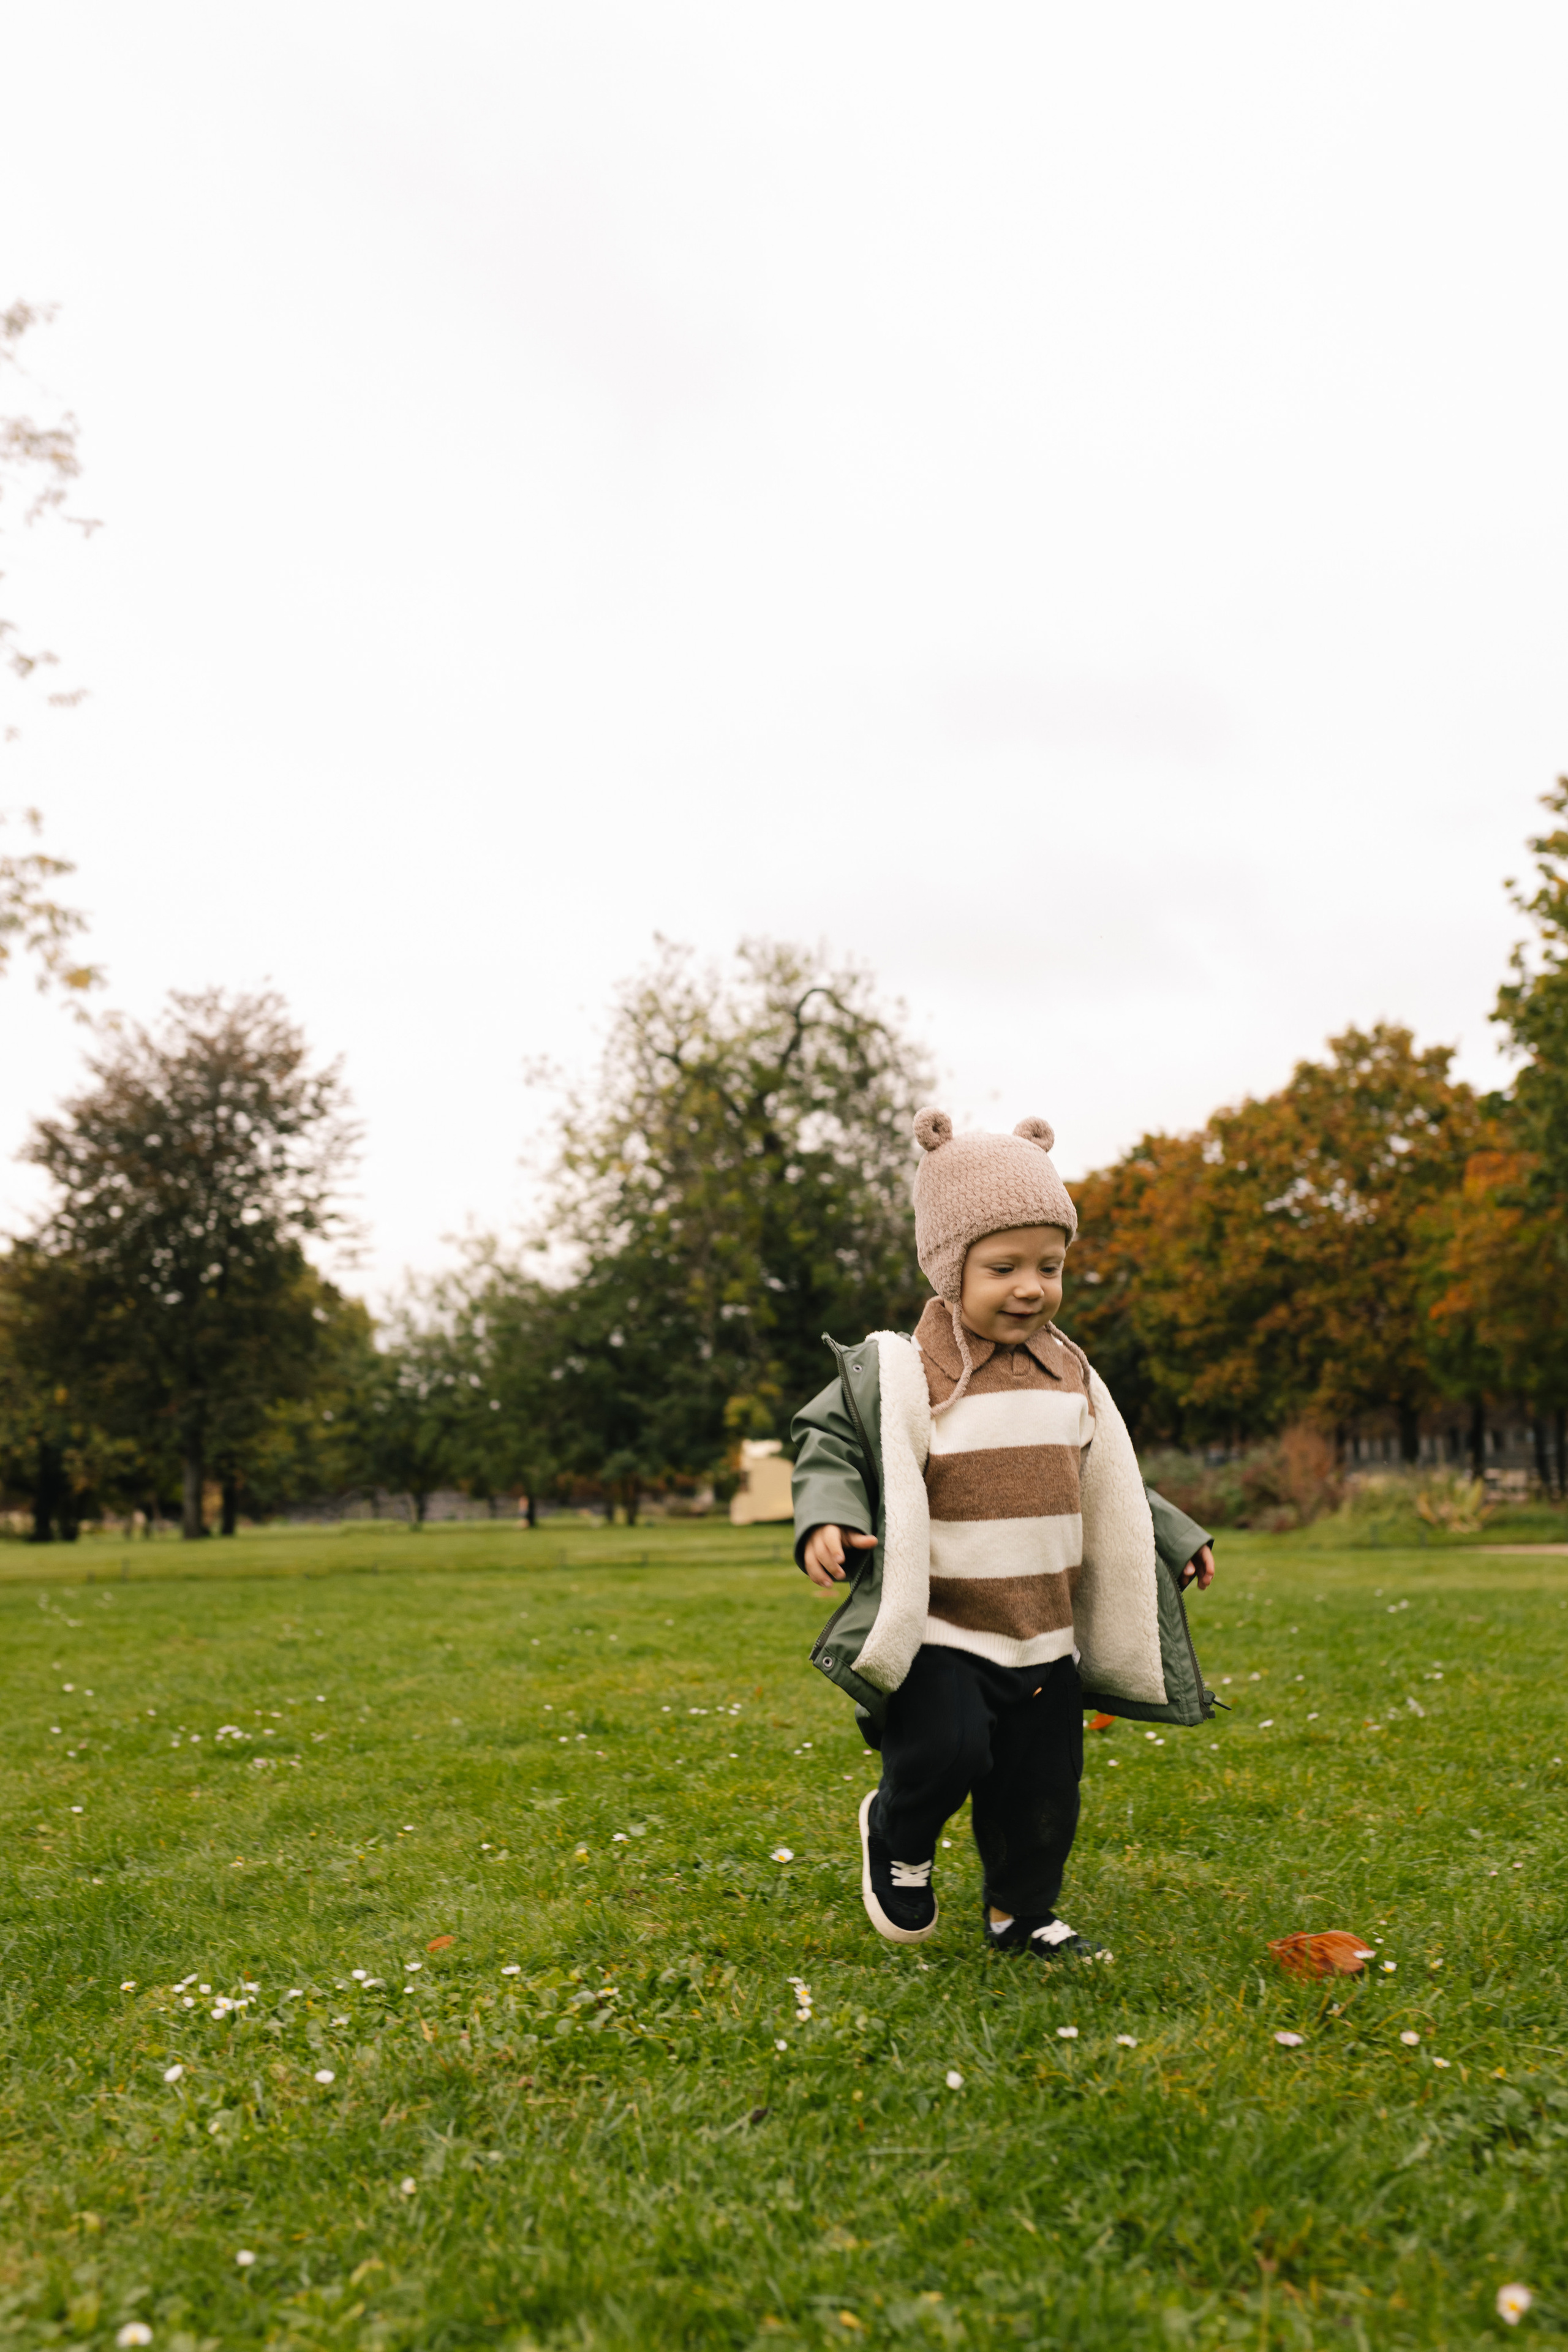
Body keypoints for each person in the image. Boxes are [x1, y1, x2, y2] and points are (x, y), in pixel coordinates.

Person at [790, 1109, 1215, 1959]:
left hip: (1043, 1633)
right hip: (945, 1627)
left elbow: (1111, 1478)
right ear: (951, 1268)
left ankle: (1020, 1911)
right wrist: (828, 1515)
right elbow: (829, 1439)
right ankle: (900, 1836)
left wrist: (1175, 1536)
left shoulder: (1071, 1370)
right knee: (943, 1751)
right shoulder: (909, 1370)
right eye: (1004, 1267)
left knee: (1043, 1787)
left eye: (1050, 1266)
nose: (1031, 1286)